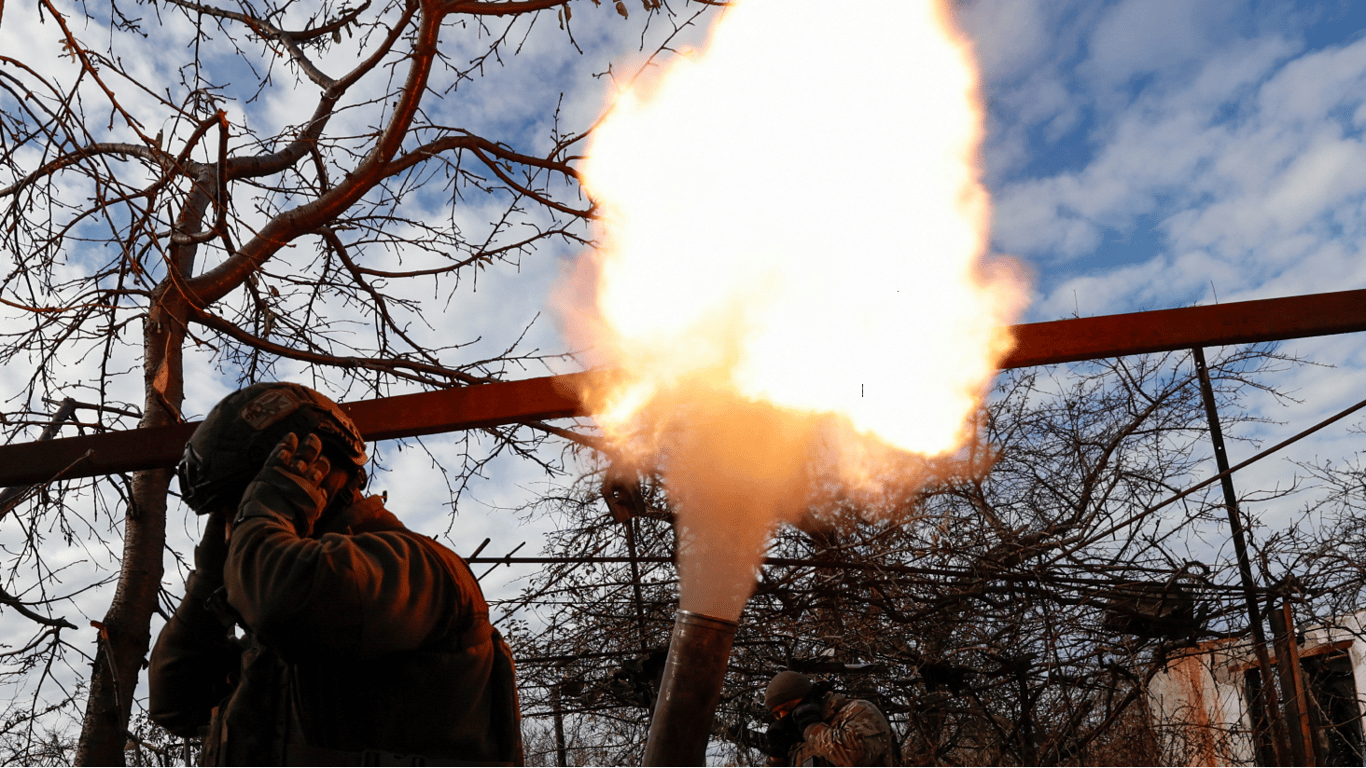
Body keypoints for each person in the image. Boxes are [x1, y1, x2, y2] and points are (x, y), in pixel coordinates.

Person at [149, 382, 522, 766]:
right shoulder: (283, 620)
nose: (232, 529)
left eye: (240, 507)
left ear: (312, 473)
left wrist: (266, 516)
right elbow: (176, 703)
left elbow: (286, 603)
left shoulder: (418, 567)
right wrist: (208, 584)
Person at [763, 670, 894, 767]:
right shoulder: (793, 743)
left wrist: (812, 729)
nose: (783, 717)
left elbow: (856, 758)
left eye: (788, 707)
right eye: (777, 714)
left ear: (809, 699)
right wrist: (776, 759)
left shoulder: (856, 711)